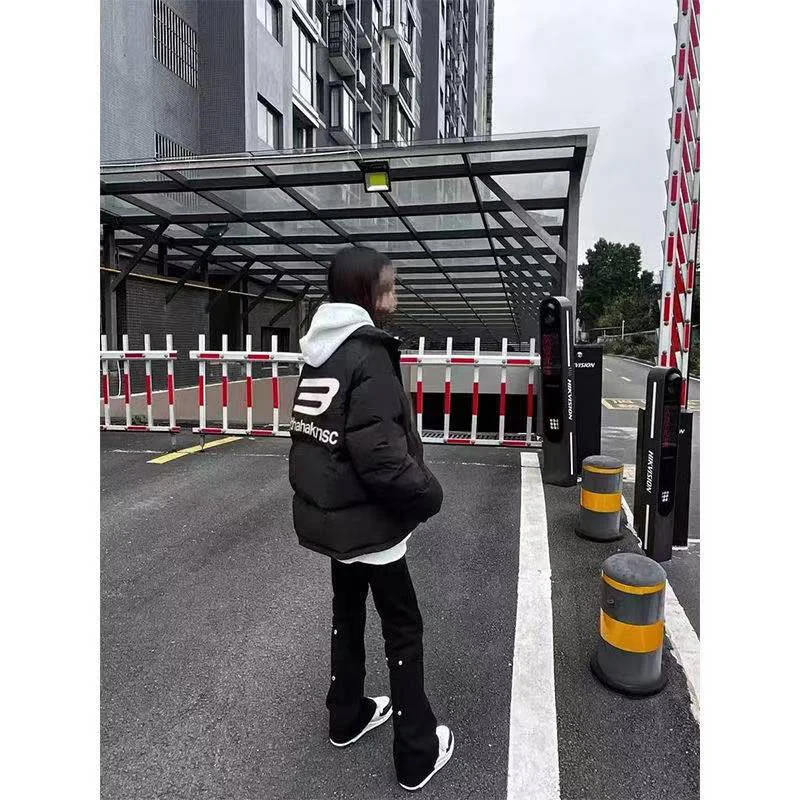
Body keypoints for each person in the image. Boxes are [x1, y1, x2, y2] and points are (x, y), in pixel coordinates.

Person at [288, 246, 453, 791]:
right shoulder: (368, 354)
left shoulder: (320, 351)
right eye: (390, 286)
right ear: (367, 293)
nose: (395, 295)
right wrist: (428, 495)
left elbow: (316, 435)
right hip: (373, 525)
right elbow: (382, 458)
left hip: (336, 519)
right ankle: (416, 752)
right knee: (403, 628)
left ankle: (346, 714)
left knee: (348, 612)